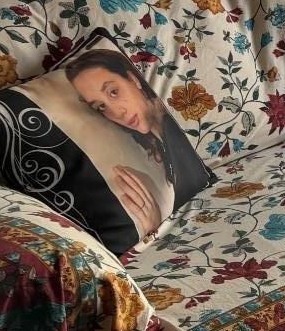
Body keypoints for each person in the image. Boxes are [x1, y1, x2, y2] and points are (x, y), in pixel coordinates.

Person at [66, 48, 201, 236]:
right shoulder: (160, 140)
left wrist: (155, 228)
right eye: (101, 106)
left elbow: (195, 215)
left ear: (133, 79)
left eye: (114, 92)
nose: (117, 113)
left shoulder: (175, 129)